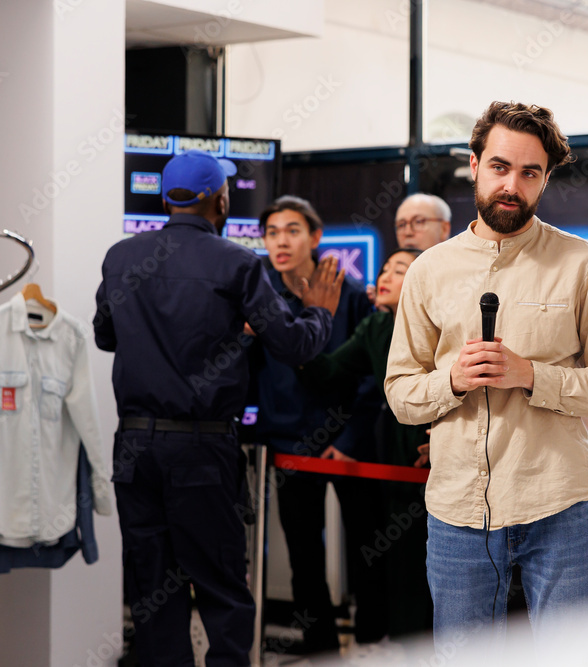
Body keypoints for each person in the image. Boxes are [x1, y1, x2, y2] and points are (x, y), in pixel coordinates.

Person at [384, 101, 588, 657]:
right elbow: (401, 395)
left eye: (530, 173)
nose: (512, 185)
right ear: (474, 165)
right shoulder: (428, 270)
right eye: (500, 167)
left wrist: (532, 376)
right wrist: (450, 380)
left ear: (546, 178)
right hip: (456, 512)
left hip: (561, 505)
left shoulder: (585, 265)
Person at [93, 151, 344, 666]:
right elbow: (294, 347)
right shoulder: (237, 263)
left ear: (166, 199)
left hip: (133, 449)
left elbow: (104, 336)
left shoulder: (121, 258)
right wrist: (319, 312)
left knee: (151, 590)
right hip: (201, 450)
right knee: (222, 588)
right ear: (221, 200)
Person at [250, 195, 387, 653]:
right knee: (303, 555)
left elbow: (372, 372)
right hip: (287, 442)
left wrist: (349, 439)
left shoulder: (349, 294)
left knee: (368, 546)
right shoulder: (257, 295)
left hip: (349, 443)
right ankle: (321, 648)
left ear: (315, 236)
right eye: (272, 232)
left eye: (292, 230)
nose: (281, 241)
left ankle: (372, 641)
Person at [298, 247, 433, 638]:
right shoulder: (375, 327)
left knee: (438, 565)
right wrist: (295, 333)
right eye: (385, 268)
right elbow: (329, 372)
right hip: (395, 455)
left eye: (400, 269)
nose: (385, 276)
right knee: (401, 562)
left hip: (440, 450)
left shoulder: (444, 320)